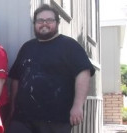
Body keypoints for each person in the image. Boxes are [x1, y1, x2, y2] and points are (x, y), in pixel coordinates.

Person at [7, 4, 95, 133]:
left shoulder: (69, 46)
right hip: (22, 119)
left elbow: (83, 73)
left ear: (57, 23)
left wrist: (78, 106)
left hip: (56, 119)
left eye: (49, 20)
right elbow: (16, 79)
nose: (44, 24)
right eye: (40, 20)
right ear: (35, 23)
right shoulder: (27, 47)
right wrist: (12, 108)